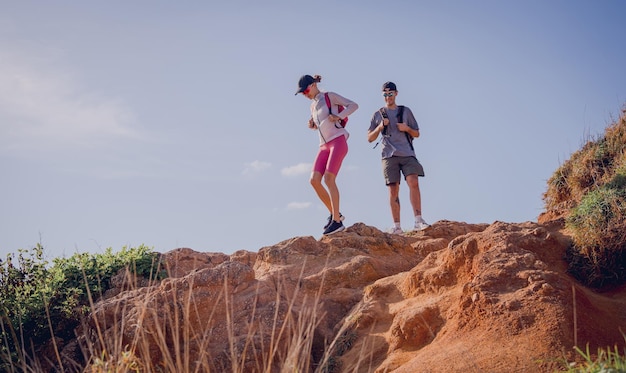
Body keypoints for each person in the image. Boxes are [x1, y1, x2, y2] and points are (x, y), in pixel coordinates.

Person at [296, 74, 358, 235]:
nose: (305, 94)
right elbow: (322, 123)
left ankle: (337, 222)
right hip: (323, 146)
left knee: (329, 179)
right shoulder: (312, 106)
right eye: (302, 93)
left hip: (338, 141)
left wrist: (339, 116)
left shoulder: (329, 96)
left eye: (305, 90)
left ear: (313, 85)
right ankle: (335, 214)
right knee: (314, 181)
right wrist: (313, 124)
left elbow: (353, 105)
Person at [367, 81, 429, 234]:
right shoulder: (378, 114)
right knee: (393, 190)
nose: (388, 97)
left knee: (413, 181)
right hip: (389, 155)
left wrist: (406, 128)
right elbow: (369, 138)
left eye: (390, 94)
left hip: (407, 153)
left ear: (396, 94)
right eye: (385, 94)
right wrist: (380, 126)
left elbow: (417, 133)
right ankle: (397, 227)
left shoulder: (405, 111)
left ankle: (418, 220)